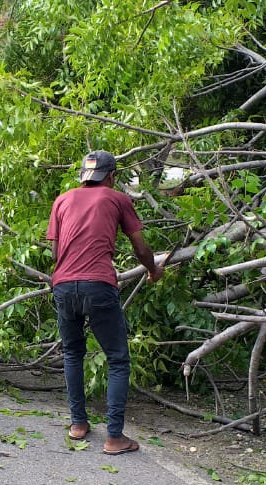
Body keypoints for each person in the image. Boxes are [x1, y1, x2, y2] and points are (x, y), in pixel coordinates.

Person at [46, 150, 164, 454]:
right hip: (98, 284)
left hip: (62, 284)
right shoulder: (117, 198)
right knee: (117, 358)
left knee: (73, 353)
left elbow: (55, 252)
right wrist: (153, 271)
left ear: (84, 175)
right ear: (111, 176)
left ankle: (78, 424)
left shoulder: (62, 200)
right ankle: (114, 437)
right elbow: (140, 246)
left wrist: (68, 279)